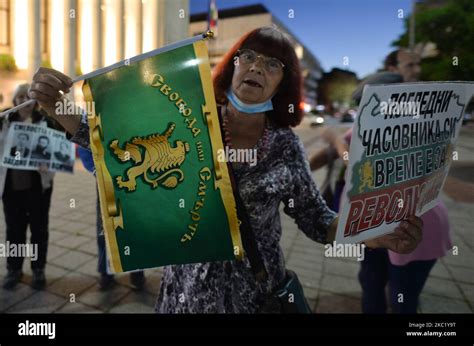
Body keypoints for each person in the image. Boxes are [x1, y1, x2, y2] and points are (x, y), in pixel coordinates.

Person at [29, 27, 423, 313]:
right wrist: (56, 103)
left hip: (256, 298)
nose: (256, 67)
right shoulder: (189, 122)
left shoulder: (285, 145)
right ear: (232, 66)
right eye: (247, 56)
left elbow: (316, 219)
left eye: (272, 64)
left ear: (282, 83)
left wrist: (373, 235)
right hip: (184, 296)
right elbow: (104, 139)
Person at [310, 52, 452, 313]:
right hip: (373, 227)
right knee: (371, 284)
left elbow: (356, 161)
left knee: (403, 297)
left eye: (371, 102)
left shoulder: (414, 129)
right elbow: (325, 155)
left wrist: (334, 140)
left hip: (415, 230)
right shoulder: (368, 126)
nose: (366, 111)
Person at [0, 84, 61, 290]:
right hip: (11, 189)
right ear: (15, 100)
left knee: (39, 230)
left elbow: (57, 151)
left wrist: (48, 162)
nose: (24, 101)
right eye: (20, 97)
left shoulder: (45, 122)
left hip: (38, 189)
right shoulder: (4, 122)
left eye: (28, 97)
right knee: (14, 231)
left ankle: (38, 269)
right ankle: (14, 269)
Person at [77, 146, 146, 290]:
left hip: (133, 177)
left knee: (136, 224)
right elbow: (84, 140)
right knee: (104, 226)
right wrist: (95, 169)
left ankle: (137, 270)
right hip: (105, 178)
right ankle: (106, 271)